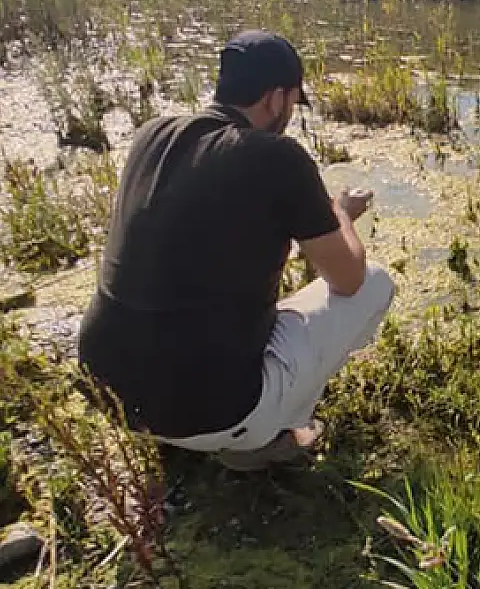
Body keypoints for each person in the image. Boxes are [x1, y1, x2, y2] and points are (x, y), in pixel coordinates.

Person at [77, 30, 396, 471]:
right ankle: (267, 436)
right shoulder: (278, 156)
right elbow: (348, 278)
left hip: (109, 394)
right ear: (276, 98)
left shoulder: (151, 136)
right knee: (376, 283)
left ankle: (179, 435)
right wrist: (339, 212)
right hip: (219, 412)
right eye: (292, 102)